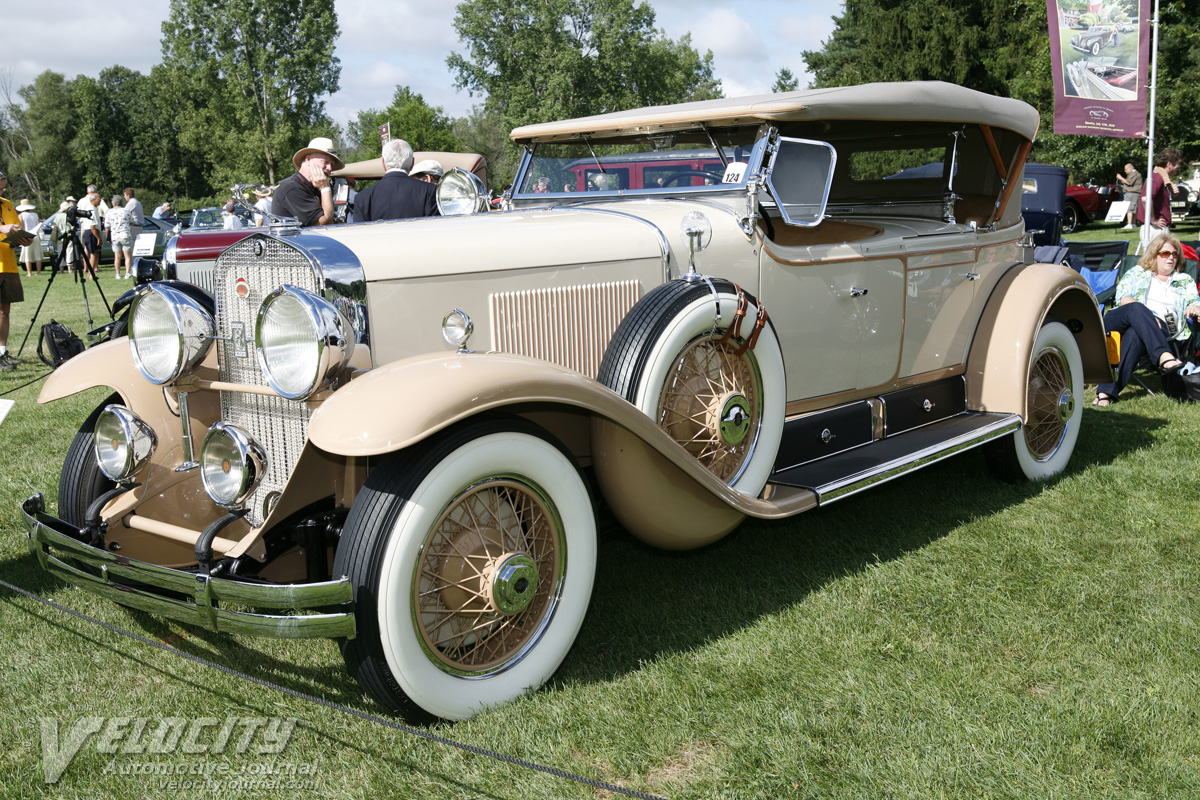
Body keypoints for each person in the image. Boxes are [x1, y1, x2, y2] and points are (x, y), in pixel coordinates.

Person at [1094, 233, 1200, 406]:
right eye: (1165, 253)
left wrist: (1195, 307)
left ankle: (1106, 392)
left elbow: (1194, 301)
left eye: (1174, 254)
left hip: (1160, 329)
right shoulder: (1137, 273)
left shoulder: (1184, 280)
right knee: (1137, 309)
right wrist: (1150, 317)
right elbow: (1124, 298)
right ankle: (1163, 355)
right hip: (1121, 319)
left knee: (1136, 334)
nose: (1171, 258)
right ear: (1154, 255)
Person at [353, 139, 439, 222]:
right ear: (412, 163)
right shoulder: (430, 191)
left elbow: (358, 235)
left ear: (383, 162)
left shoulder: (362, 198)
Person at [273, 136, 344, 227]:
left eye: (331, 165)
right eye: (325, 162)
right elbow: (325, 223)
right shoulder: (292, 188)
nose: (330, 168)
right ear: (308, 159)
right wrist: (325, 188)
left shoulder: (312, 187)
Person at [0, 171, 26, 370]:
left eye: (3, 186)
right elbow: (5, 228)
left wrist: (23, 239)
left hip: (7, 264)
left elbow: (14, 229)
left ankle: (2, 352)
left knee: (4, 311)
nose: (1, 190)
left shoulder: (7, 204)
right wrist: (3, 229)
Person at [1137, 148, 1183, 230]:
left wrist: (1173, 194)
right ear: (1169, 164)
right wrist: (1153, 220)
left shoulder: (1162, 178)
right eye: (1178, 163)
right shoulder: (1157, 178)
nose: (1179, 166)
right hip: (1155, 228)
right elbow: (1146, 199)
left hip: (1157, 227)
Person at [77, 190, 104, 278]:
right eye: (99, 199)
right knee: (93, 253)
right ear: (94, 200)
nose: (100, 200)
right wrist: (98, 238)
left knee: (95, 253)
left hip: (92, 232)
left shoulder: (94, 208)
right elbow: (92, 226)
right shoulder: (91, 209)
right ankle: (90, 274)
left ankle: (91, 273)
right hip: (92, 232)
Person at [105, 195, 132, 279]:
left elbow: (107, 226)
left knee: (117, 256)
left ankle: (118, 274)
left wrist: (107, 237)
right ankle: (127, 273)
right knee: (127, 256)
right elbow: (131, 221)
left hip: (115, 236)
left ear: (113, 203)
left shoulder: (109, 212)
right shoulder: (126, 211)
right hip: (125, 235)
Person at [15, 199, 42, 276]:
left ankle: (29, 272)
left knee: (27, 255)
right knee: (37, 255)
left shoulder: (21, 215)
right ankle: (38, 272)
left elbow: (20, 226)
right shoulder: (35, 215)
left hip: (26, 236)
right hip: (35, 235)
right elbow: (39, 224)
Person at [1115, 162, 1143, 229]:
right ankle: (1133, 224)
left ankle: (1129, 224)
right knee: (1133, 209)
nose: (1125, 171)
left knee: (1130, 209)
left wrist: (1120, 177)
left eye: (1125, 169)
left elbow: (1129, 182)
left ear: (1130, 168)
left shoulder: (1134, 173)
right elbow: (1126, 182)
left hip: (1132, 193)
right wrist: (1121, 179)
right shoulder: (1133, 174)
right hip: (1133, 193)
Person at [123, 188, 144, 254]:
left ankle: (132, 262)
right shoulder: (138, 202)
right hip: (139, 227)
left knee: (132, 247)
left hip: (133, 226)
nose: (124, 197)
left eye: (124, 195)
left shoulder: (131, 203)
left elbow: (124, 213)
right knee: (138, 247)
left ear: (128, 195)